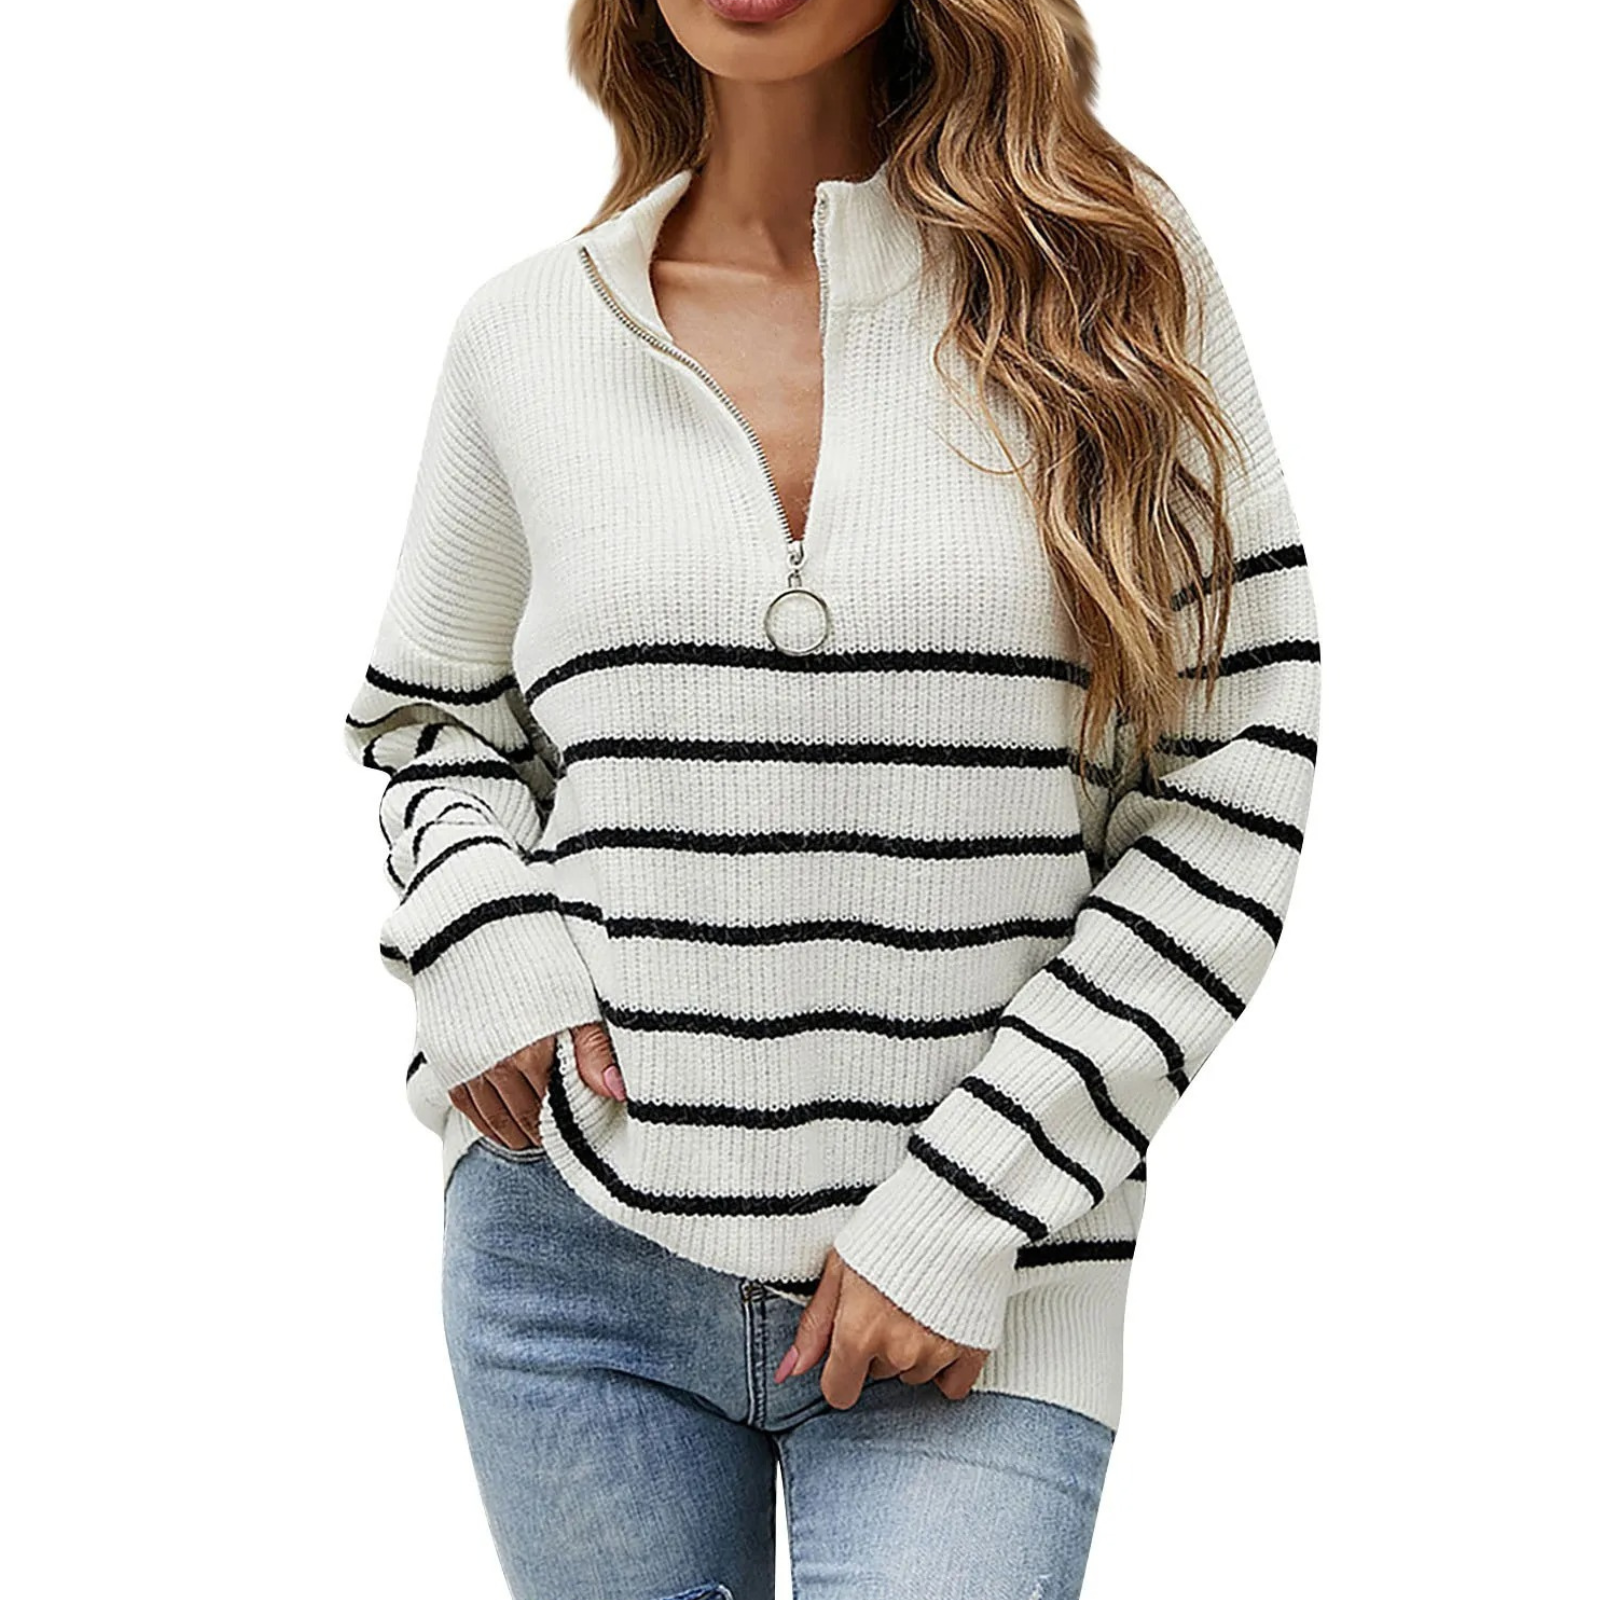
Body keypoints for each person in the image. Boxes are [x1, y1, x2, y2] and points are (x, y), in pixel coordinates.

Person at [339, 2, 1321, 1595]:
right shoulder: (526, 336)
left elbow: (1231, 785)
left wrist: (969, 1205)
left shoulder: (1110, 287)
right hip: (576, 1256)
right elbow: (429, 722)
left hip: (985, 1283)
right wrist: (489, 934)